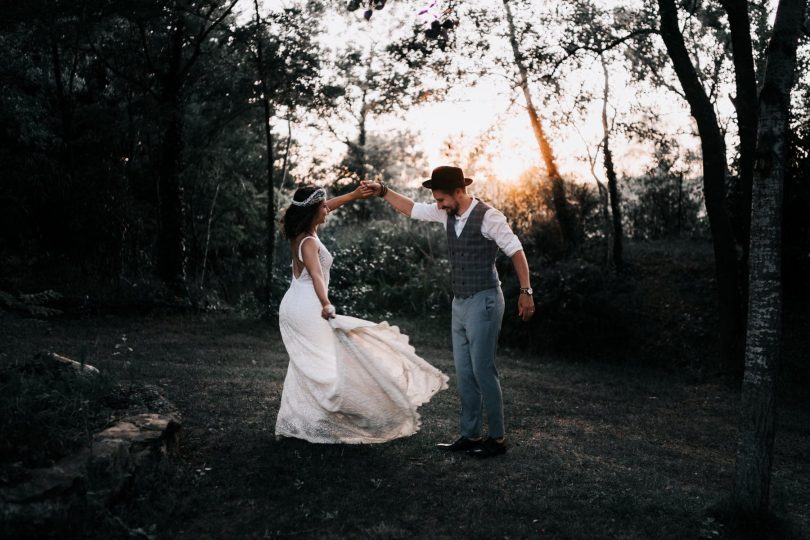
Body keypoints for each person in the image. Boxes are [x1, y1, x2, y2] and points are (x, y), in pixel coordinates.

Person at [363, 166, 535, 458]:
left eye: (442, 199)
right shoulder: (447, 212)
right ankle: (470, 435)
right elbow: (412, 209)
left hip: (485, 300)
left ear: (459, 192)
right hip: (460, 302)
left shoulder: (489, 217)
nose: (438, 205)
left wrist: (526, 291)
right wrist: (382, 191)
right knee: (465, 372)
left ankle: (497, 438)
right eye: (437, 201)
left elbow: (516, 250)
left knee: (483, 370)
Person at [275, 184, 449, 444]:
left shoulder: (303, 231)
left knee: (316, 362)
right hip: (308, 305)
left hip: (295, 304)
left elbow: (328, 206)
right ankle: (335, 414)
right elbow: (317, 276)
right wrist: (325, 303)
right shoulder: (309, 241)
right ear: (313, 211)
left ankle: (309, 417)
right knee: (326, 363)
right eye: (323, 206)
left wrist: (354, 196)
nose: (328, 209)